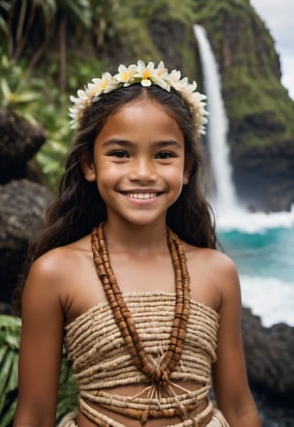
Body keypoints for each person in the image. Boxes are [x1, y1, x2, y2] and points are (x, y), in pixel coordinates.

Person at [13, 60, 261, 427]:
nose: (142, 173)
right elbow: (33, 416)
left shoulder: (217, 272)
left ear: (187, 167)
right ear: (89, 163)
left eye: (163, 155)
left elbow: (239, 409)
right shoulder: (55, 273)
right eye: (120, 153)